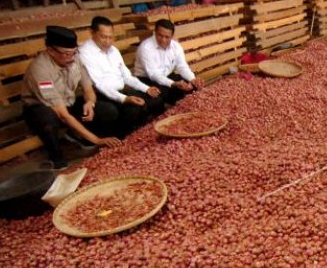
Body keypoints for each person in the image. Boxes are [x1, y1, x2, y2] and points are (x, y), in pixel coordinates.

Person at [22, 26, 121, 170]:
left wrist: (90, 102)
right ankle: (56, 158)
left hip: (68, 102)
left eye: (74, 53)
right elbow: (62, 114)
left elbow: (88, 88)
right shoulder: (40, 70)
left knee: (107, 109)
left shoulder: (74, 59)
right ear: (51, 51)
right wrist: (97, 140)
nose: (72, 58)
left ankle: (77, 136)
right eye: (66, 54)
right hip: (42, 107)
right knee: (47, 120)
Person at [79, 16, 165, 129]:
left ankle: (146, 129)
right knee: (132, 108)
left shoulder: (113, 50)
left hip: (121, 91)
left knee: (156, 99)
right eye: (103, 37)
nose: (108, 41)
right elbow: (100, 85)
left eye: (111, 37)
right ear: (92, 32)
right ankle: (124, 137)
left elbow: (127, 76)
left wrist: (146, 89)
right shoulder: (85, 52)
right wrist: (125, 99)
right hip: (101, 94)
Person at [133, 19, 204, 105]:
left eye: (167, 37)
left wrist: (192, 79)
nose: (163, 40)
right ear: (155, 32)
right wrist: (173, 83)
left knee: (192, 85)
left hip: (167, 75)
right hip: (147, 79)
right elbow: (153, 75)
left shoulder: (175, 46)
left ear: (172, 36)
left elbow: (182, 66)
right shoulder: (145, 48)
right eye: (160, 35)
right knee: (162, 96)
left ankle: (182, 107)